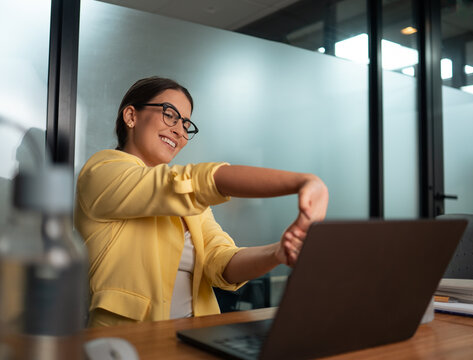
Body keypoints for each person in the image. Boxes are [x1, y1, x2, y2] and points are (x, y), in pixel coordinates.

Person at [74, 76, 328, 327]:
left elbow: (221, 260)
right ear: (131, 116)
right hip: (131, 345)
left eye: (186, 124)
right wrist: (301, 182)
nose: (179, 131)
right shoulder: (102, 172)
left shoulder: (187, 202)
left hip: (198, 339)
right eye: (170, 114)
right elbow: (192, 181)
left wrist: (277, 252)